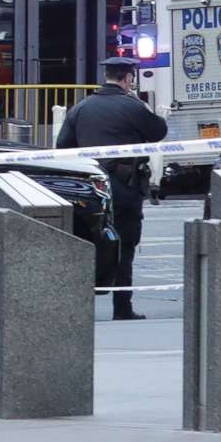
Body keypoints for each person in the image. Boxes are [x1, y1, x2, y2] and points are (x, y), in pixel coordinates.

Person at [57, 55, 169, 323]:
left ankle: (78, 308)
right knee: (126, 245)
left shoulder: (80, 108)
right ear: (128, 78)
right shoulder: (133, 107)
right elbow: (158, 132)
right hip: (125, 187)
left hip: (91, 188)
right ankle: (122, 306)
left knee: (88, 246)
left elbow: (63, 146)